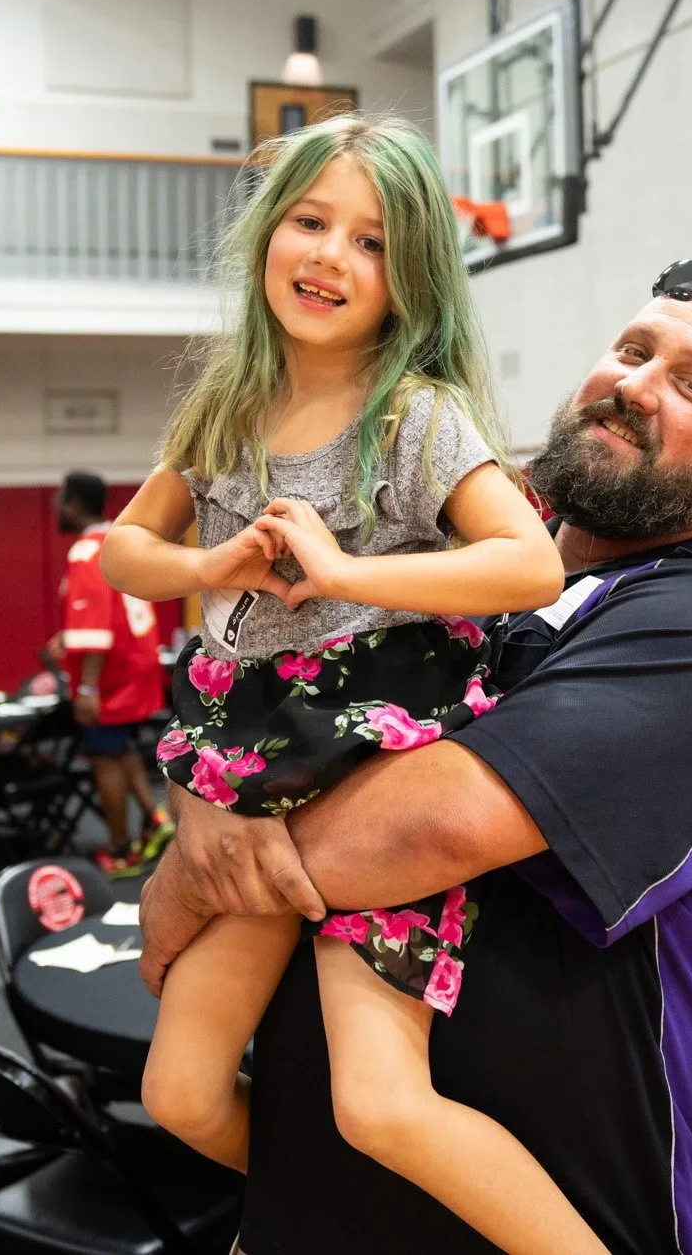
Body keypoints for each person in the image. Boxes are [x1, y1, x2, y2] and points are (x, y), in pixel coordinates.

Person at [135, 256, 692, 1255]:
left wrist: (196, 872)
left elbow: (427, 826)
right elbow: (261, 692)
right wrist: (203, 802)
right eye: (631, 351)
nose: (635, 386)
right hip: (316, 1208)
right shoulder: (444, 561)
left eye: (689, 382)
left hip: (582, 1207)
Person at [100, 115, 605, 1255]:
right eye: (311, 222)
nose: (330, 256)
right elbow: (122, 551)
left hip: (367, 792)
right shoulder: (224, 408)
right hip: (244, 786)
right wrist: (204, 564)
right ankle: (343, 1219)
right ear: (267, 233)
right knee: (179, 1094)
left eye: (370, 242)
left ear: (410, 277)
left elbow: (529, 563)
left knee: (378, 1103)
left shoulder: (416, 416)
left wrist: (347, 569)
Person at [53, 471, 169, 876]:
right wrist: (67, 637)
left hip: (110, 678)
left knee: (104, 757)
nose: (56, 506)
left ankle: (119, 850)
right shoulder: (118, 542)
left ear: (75, 505)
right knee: (120, 749)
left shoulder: (87, 551)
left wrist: (86, 686)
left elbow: (97, 628)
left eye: (60, 498)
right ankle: (158, 820)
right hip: (138, 665)